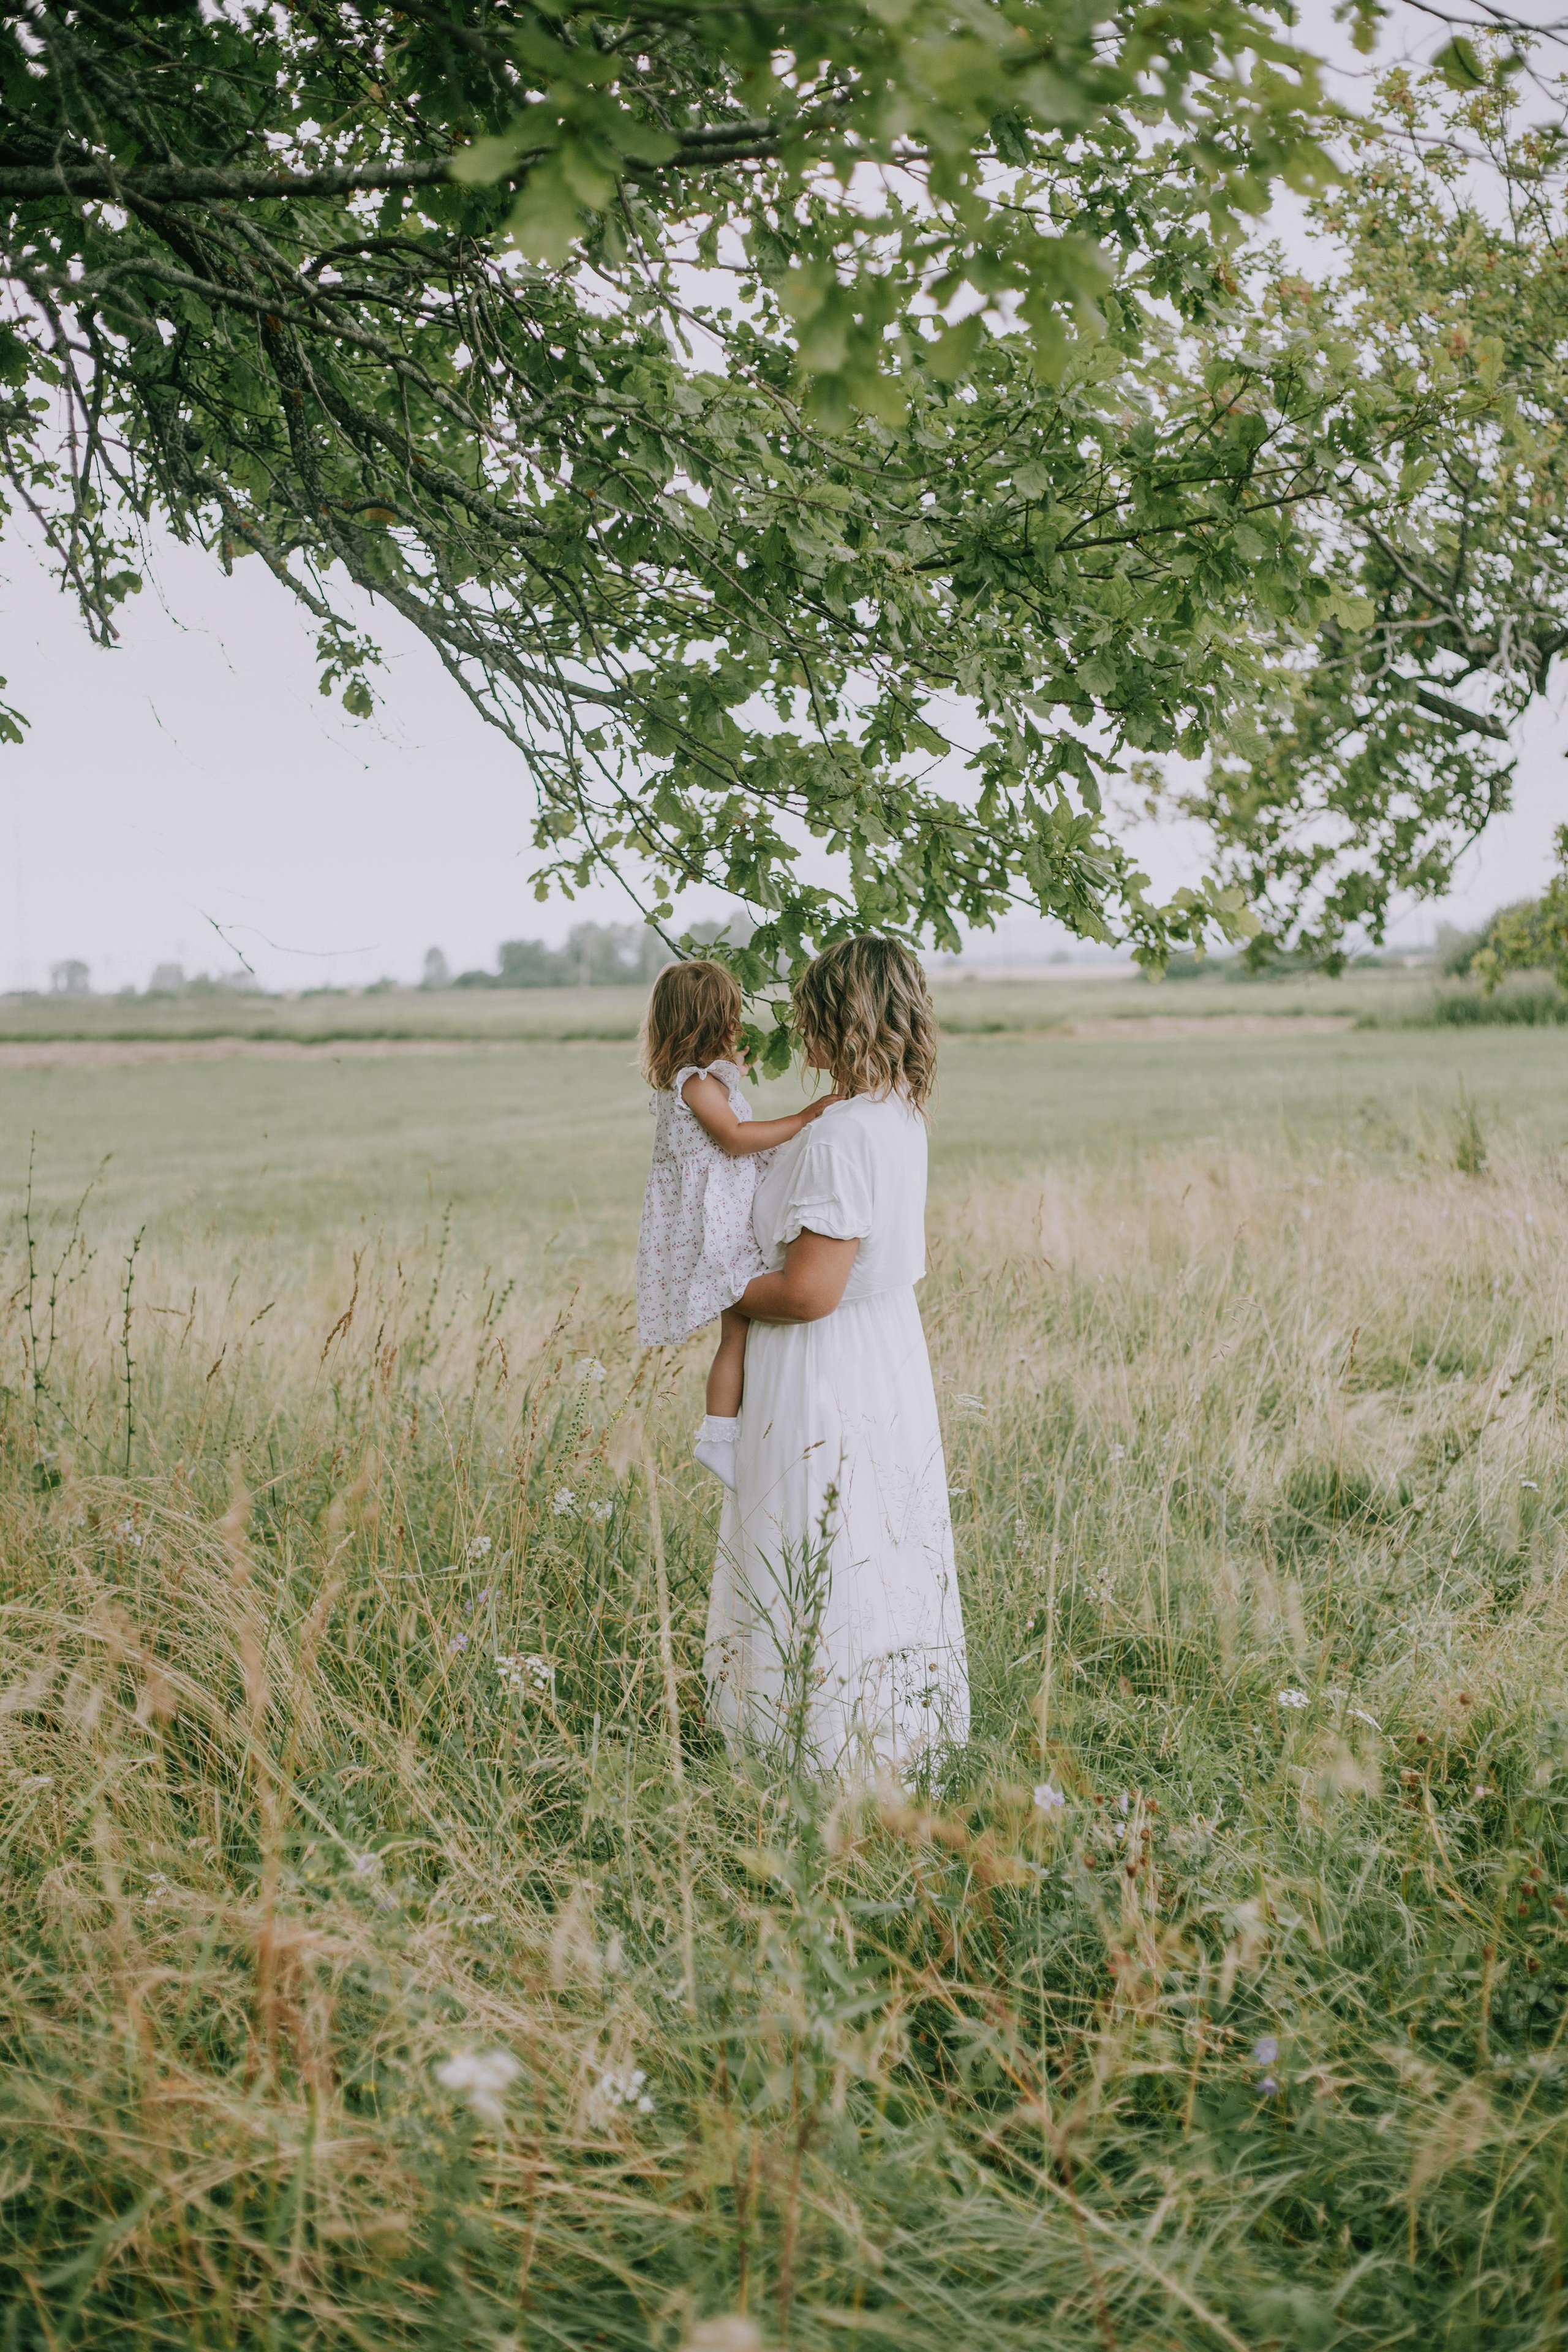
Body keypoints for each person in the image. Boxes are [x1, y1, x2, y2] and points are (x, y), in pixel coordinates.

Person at [706, 936, 970, 1775]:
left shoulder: (841, 1136)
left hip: (823, 1362)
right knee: (877, 1534)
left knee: (820, 1534)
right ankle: (892, 1728)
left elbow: (812, 1291)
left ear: (836, 1019)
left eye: (808, 1012)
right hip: (886, 1352)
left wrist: (719, 1288)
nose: (798, 1028)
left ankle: (820, 1746)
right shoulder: (898, 1116)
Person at [636, 958, 836, 1489]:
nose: (737, 1025)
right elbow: (733, 1139)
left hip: (717, 1215)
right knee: (737, 1327)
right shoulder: (698, 1086)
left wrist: (734, 1074)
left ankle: (727, 1430)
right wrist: (803, 1118)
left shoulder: (703, 1082)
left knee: (740, 1328)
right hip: (714, 1225)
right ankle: (718, 1436)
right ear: (706, 1025)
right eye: (729, 1017)